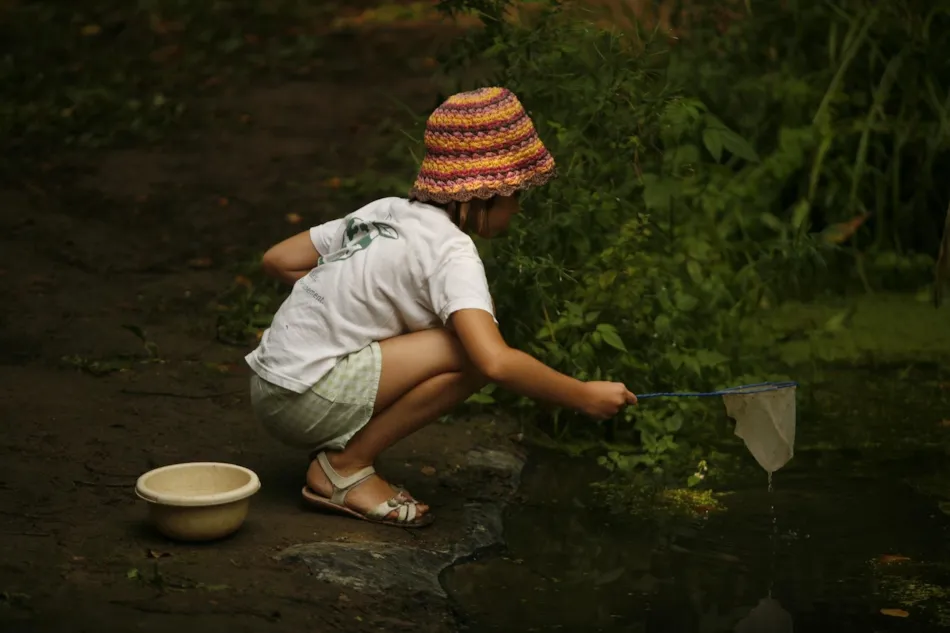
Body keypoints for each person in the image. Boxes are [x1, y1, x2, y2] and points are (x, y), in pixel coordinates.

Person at [245, 86, 637, 529]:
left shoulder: (385, 210)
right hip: (304, 401)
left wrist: (348, 302)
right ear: (485, 193)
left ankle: (343, 458)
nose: (519, 208)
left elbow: (277, 260)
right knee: (469, 352)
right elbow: (495, 362)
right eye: (516, 194)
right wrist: (582, 396)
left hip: (268, 385)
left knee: (457, 343)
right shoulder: (452, 252)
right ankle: (345, 468)